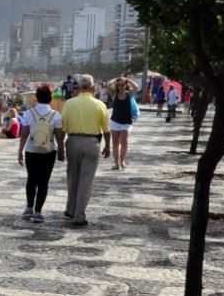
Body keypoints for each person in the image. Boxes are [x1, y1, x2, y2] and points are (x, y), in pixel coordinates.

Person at [60, 74, 111, 227]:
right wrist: (108, 145)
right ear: (92, 87)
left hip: (73, 141)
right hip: (92, 142)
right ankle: (79, 215)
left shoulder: (69, 104)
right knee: (86, 181)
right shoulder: (99, 105)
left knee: (72, 177)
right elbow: (106, 129)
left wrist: (61, 147)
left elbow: (62, 127)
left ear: (79, 87)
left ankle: (70, 208)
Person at [17, 84, 64, 222]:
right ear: (50, 99)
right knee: (44, 181)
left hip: (31, 150)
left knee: (31, 179)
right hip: (48, 151)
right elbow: (60, 136)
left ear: (36, 98)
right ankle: (38, 212)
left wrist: (20, 152)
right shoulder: (56, 115)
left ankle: (28, 208)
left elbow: (24, 134)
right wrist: (61, 151)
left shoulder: (28, 113)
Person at [108, 77, 140, 169]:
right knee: (115, 143)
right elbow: (108, 85)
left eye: (122, 85)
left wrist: (127, 79)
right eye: (118, 85)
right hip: (115, 121)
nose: (120, 87)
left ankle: (122, 161)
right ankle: (116, 163)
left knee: (124, 141)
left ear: (126, 85)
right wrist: (116, 79)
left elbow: (136, 87)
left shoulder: (129, 94)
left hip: (126, 121)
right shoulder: (114, 94)